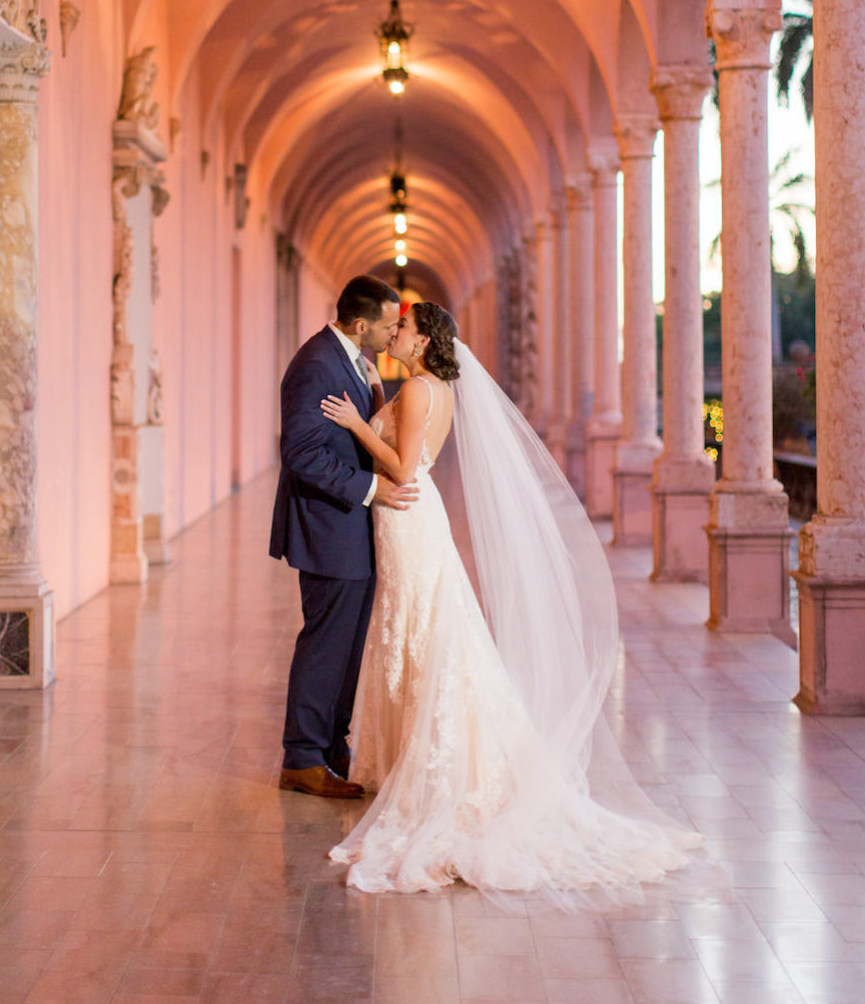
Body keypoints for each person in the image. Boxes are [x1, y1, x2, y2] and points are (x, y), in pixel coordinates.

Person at [320, 301, 706, 901]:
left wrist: (356, 423)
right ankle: (409, 760)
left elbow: (402, 467)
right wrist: (374, 395)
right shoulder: (418, 386)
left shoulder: (420, 392)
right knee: (413, 630)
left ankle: (443, 774)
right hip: (402, 525)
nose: (393, 333)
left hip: (408, 517)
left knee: (426, 631)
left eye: (403, 328)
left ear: (422, 343)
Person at [269, 275, 417, 799]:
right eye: (387, 324)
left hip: (349, 528)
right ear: (360, 325)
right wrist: (371, 487)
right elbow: (302, 454)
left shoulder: (355, 361)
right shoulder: (316, 365)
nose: (392, 331)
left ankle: (332, 747)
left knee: (348, 644)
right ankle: (302, 758)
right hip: (328, 526)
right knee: (326, 643)